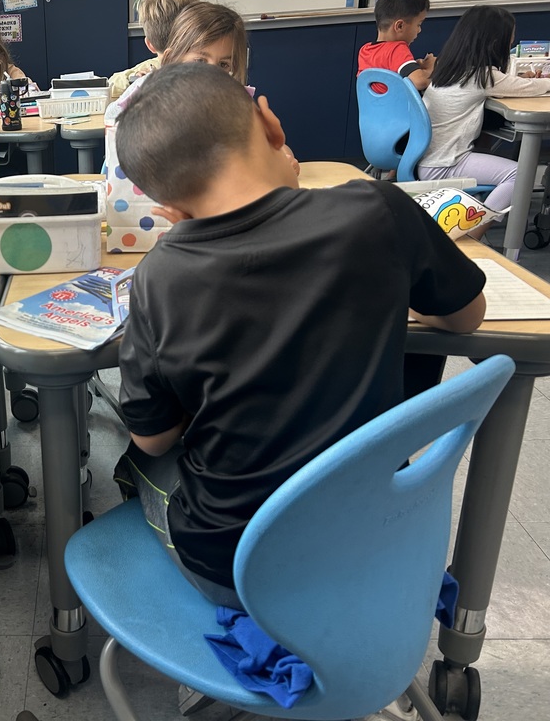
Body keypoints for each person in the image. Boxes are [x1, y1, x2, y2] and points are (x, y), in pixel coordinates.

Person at [112, 66, 486, 719]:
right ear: (270, 123)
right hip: (378, 543)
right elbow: (467, 317)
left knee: (131, 466)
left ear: (163, 205)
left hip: (235, 570)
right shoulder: (378, 211)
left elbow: (154, 437)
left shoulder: (160, 279)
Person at [106, 1, 299, 175]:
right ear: (172, 58)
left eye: (223, 65)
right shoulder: (150, 92)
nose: (211, 72)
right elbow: (113, 120)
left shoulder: (233, 101)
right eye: (200, 60)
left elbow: (268, 143)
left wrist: (283, 156)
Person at [418, 5, 550, 214]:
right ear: (495, 44)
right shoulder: (483, 76)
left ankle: (472, 221)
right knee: (519, 175)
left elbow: (508, 84)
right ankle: (473, 228)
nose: (511, 43)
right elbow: (530, 87)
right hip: (444, 165)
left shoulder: (448, 68)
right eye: (509, 40)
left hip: (427, 159)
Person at [107, 0, 200, 98]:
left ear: (150, 45)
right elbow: (113, 82)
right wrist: (136, 78)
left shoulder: (156, 64)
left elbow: (110, 85)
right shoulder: (153, 66)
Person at [358, 0, 435, 92]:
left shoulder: (365, 51)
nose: (419, 30)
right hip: (398, 103)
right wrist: (431, 68)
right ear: (399, 26)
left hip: (372, 104)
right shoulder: (397, 49)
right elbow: (420, 82)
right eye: (418, 24)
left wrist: (415, 68)